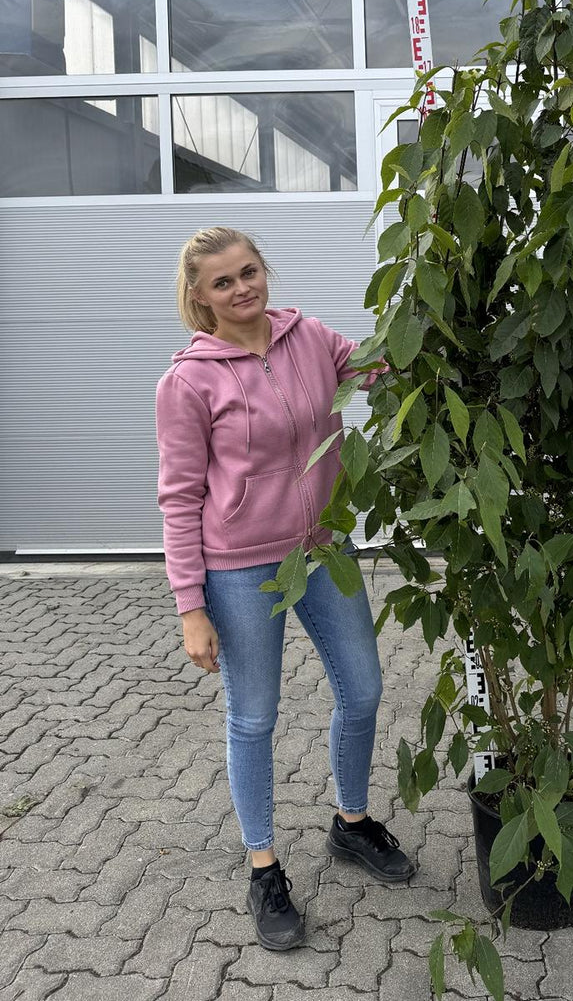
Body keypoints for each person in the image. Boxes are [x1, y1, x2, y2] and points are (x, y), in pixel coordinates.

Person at [155, 226, 413, 951]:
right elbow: (178, 497)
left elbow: (372, 367)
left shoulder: (308, 336)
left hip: (324, 547)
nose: (243, 289)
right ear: (199, 297)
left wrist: (419, 330)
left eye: (249, 272)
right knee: (255, 716)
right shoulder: (188, 380)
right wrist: (190, 606)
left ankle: (352, 822)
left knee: (362, 690)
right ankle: (264, 865)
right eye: (223, 282)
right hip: (239, 566)